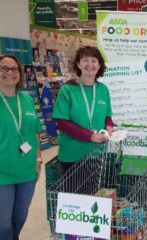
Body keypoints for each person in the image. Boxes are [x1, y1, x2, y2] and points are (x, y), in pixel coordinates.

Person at [0, 55, 42, 240]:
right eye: (4, 68)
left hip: (26, 171)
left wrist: (38, 158)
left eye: (14, 69)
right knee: (1, 220)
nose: (10, 73)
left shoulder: (26, 99)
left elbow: (35, 132)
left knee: (20, 215)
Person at [53, 46, 114, 175]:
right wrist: (90, 136)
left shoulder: (103, 89)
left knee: (94, 193)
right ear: (78, 64)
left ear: (99, 65)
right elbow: (62, 123)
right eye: (85, 60)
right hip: (72, 154)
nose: (90, 64)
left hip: (96, 152)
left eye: (94, 60)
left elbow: (107, 116)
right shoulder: (68, 90)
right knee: (73, 193)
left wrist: (109, 126)